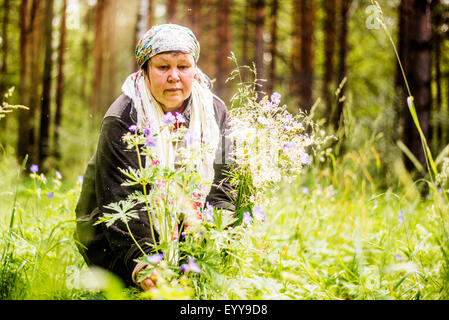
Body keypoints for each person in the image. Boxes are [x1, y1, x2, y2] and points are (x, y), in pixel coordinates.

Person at [74, 24, 235, 291]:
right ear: (145, 71)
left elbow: (224, 179)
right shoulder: (122, 118)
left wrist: (218, 228)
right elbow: (120, 198)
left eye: (183, 66)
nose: (174, 76)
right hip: (113, 231)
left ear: (194, 69)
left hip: (188, 228)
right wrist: (143, 261)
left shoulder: (215, 111)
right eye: (163, 67)